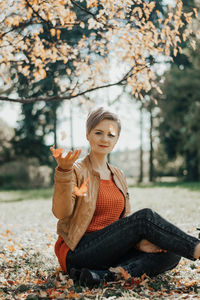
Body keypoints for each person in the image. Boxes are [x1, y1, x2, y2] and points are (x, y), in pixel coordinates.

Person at [50, 107, 200, 288]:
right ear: (88, 135)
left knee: (171, 251)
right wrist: (64, 172)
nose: (104, 139)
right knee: (144, 218)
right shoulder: (76, 170)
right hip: (78, 251)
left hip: (109, 252)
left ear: (117, 140)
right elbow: (61, 212)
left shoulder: (118, 175)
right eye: (98, 132)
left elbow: (124, 223)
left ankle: (102, 276)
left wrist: (138, 244)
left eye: (110, 135)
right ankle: (197, 248)